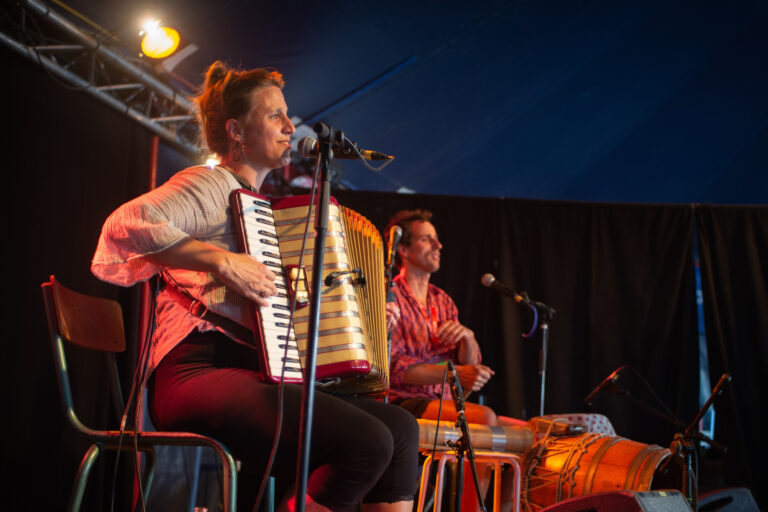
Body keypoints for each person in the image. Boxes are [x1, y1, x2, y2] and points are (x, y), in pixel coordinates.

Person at [91, 61, 418, 512]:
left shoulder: (266, 213)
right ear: (237, 131)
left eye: (288, 115)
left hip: (256, 373)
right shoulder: (210, 184)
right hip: (194, 372)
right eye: (274, 116)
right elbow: (126, 224)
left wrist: (355, 321)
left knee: (400, 429)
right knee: (367, 441)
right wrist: (221, 260)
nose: (290, 126)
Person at [385, 209, 520, 511]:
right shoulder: (391, 295)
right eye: (426, 239)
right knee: (484, 419)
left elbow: (469, 367)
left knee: (520, 435)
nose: (438, 245)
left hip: (445, 403)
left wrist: (468, 339)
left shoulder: (442, 300)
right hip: (404, 403)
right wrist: (454, 374)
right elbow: (396, 371)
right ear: (404, 250)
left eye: (437, 239)